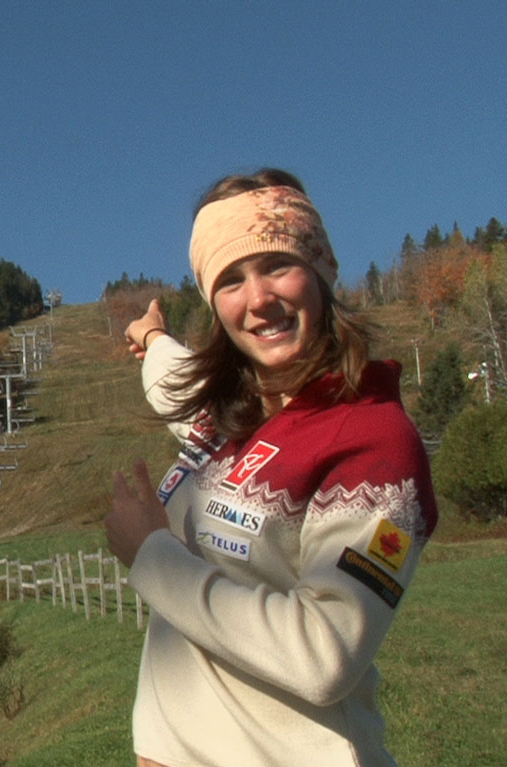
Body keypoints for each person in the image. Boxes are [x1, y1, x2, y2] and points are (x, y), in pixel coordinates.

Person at [105, 168, 438, 767]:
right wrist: (152, 336)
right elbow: (171, 376)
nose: (257, 298)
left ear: (320, 271)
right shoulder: (227, 419)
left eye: (276, 265)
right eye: (229, 280)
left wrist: (153, 554)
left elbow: (325, 653)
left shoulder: (375, 443)